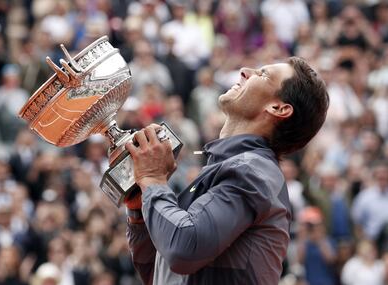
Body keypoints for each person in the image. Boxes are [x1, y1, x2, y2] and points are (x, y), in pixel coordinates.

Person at [124, 56, 330, 284]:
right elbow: (159, 272)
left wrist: (153, 179)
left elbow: (183, 247)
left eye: (263, 74)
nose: (244, 70)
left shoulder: (253, 172)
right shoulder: (231, 167)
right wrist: (140, 209)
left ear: (278, 108)